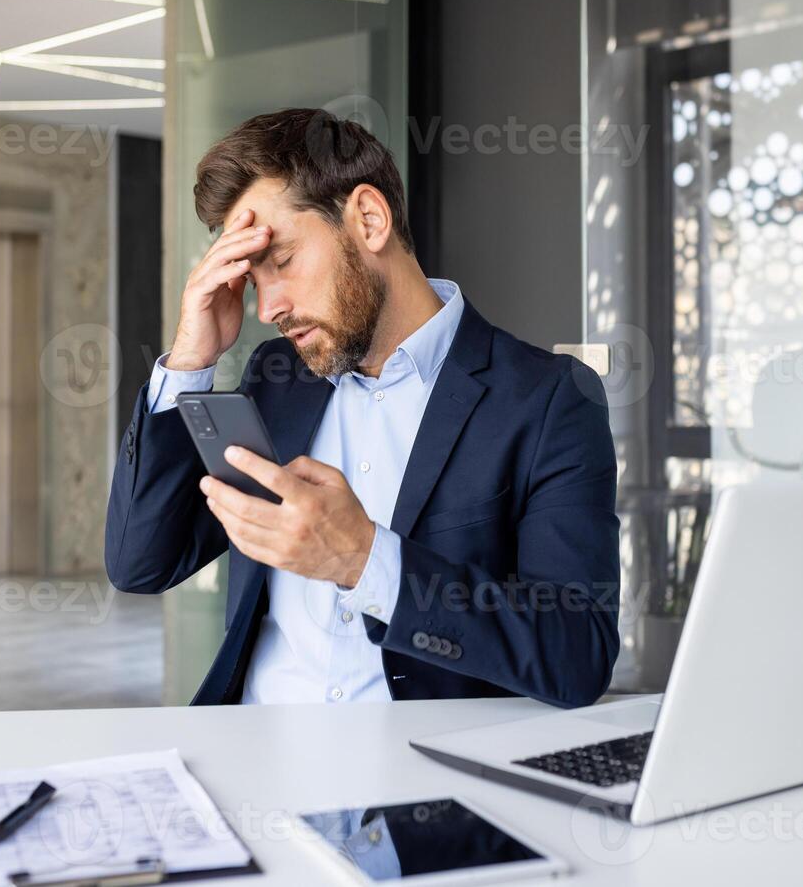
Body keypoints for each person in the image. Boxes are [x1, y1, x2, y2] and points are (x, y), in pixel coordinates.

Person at [105, 108, 619, 708]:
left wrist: (366, 560)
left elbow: (577, 655)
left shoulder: (550, 400)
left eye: (284, 261)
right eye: (251, 278)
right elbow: (141, 564)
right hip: (255, 776)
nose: (266, 308)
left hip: (417, 785)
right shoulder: (275, 380)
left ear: (369, 219)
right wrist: (191, 360)